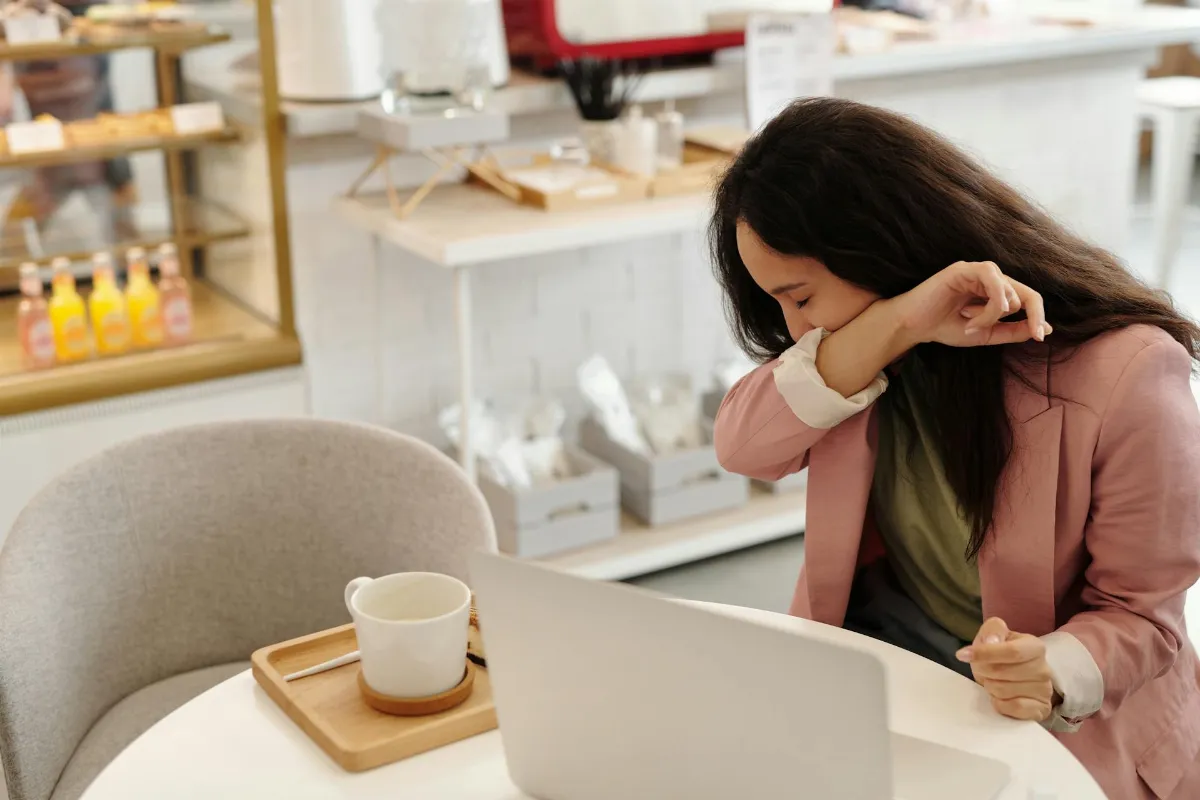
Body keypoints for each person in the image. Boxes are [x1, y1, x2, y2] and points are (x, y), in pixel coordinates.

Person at [711, 97, 1200, 799]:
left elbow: (1145, 618)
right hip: (890, 653)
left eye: (801, 297)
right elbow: (743, 448)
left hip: (1059, 718)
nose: (794, 330)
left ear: (877, 248)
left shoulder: (1126, 371)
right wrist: (901, 321)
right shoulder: (859, 359)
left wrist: (1052, 667)